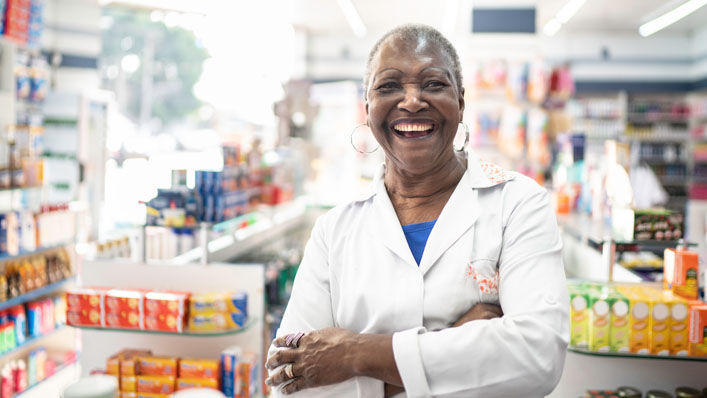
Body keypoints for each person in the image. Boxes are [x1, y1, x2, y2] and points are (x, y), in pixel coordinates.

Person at [265, 24, 569, 398]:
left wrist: (352, 354)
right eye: (389, 86)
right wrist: (455, 343)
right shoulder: (335, 230)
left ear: (460, 101)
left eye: (433, 84)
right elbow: (290, 379)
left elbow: (537, 357)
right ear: (367, 107)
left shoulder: (518, 204)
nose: (411, 101)